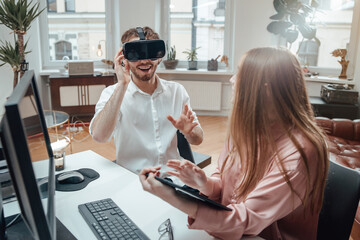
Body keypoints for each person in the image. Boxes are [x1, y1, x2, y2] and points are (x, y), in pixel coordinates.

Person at [139, 47, 329, 239]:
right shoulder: (247, 128)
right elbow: (225, 184)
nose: (232, 79)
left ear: (265, 90)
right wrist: (204, 183)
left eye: (240, 73)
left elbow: (245, 221)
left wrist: (170, 196)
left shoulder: (299, 153)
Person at [90, 26, 203, 174]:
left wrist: (189, 133)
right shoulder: (112, 94)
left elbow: (198, 139)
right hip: (133, 179)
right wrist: (122, 85)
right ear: (124, 58)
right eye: (136, 53)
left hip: (173, 177)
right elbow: (99, 137)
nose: (144, 60)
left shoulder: (176, 91)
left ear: (159, 56)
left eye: (151, 53)